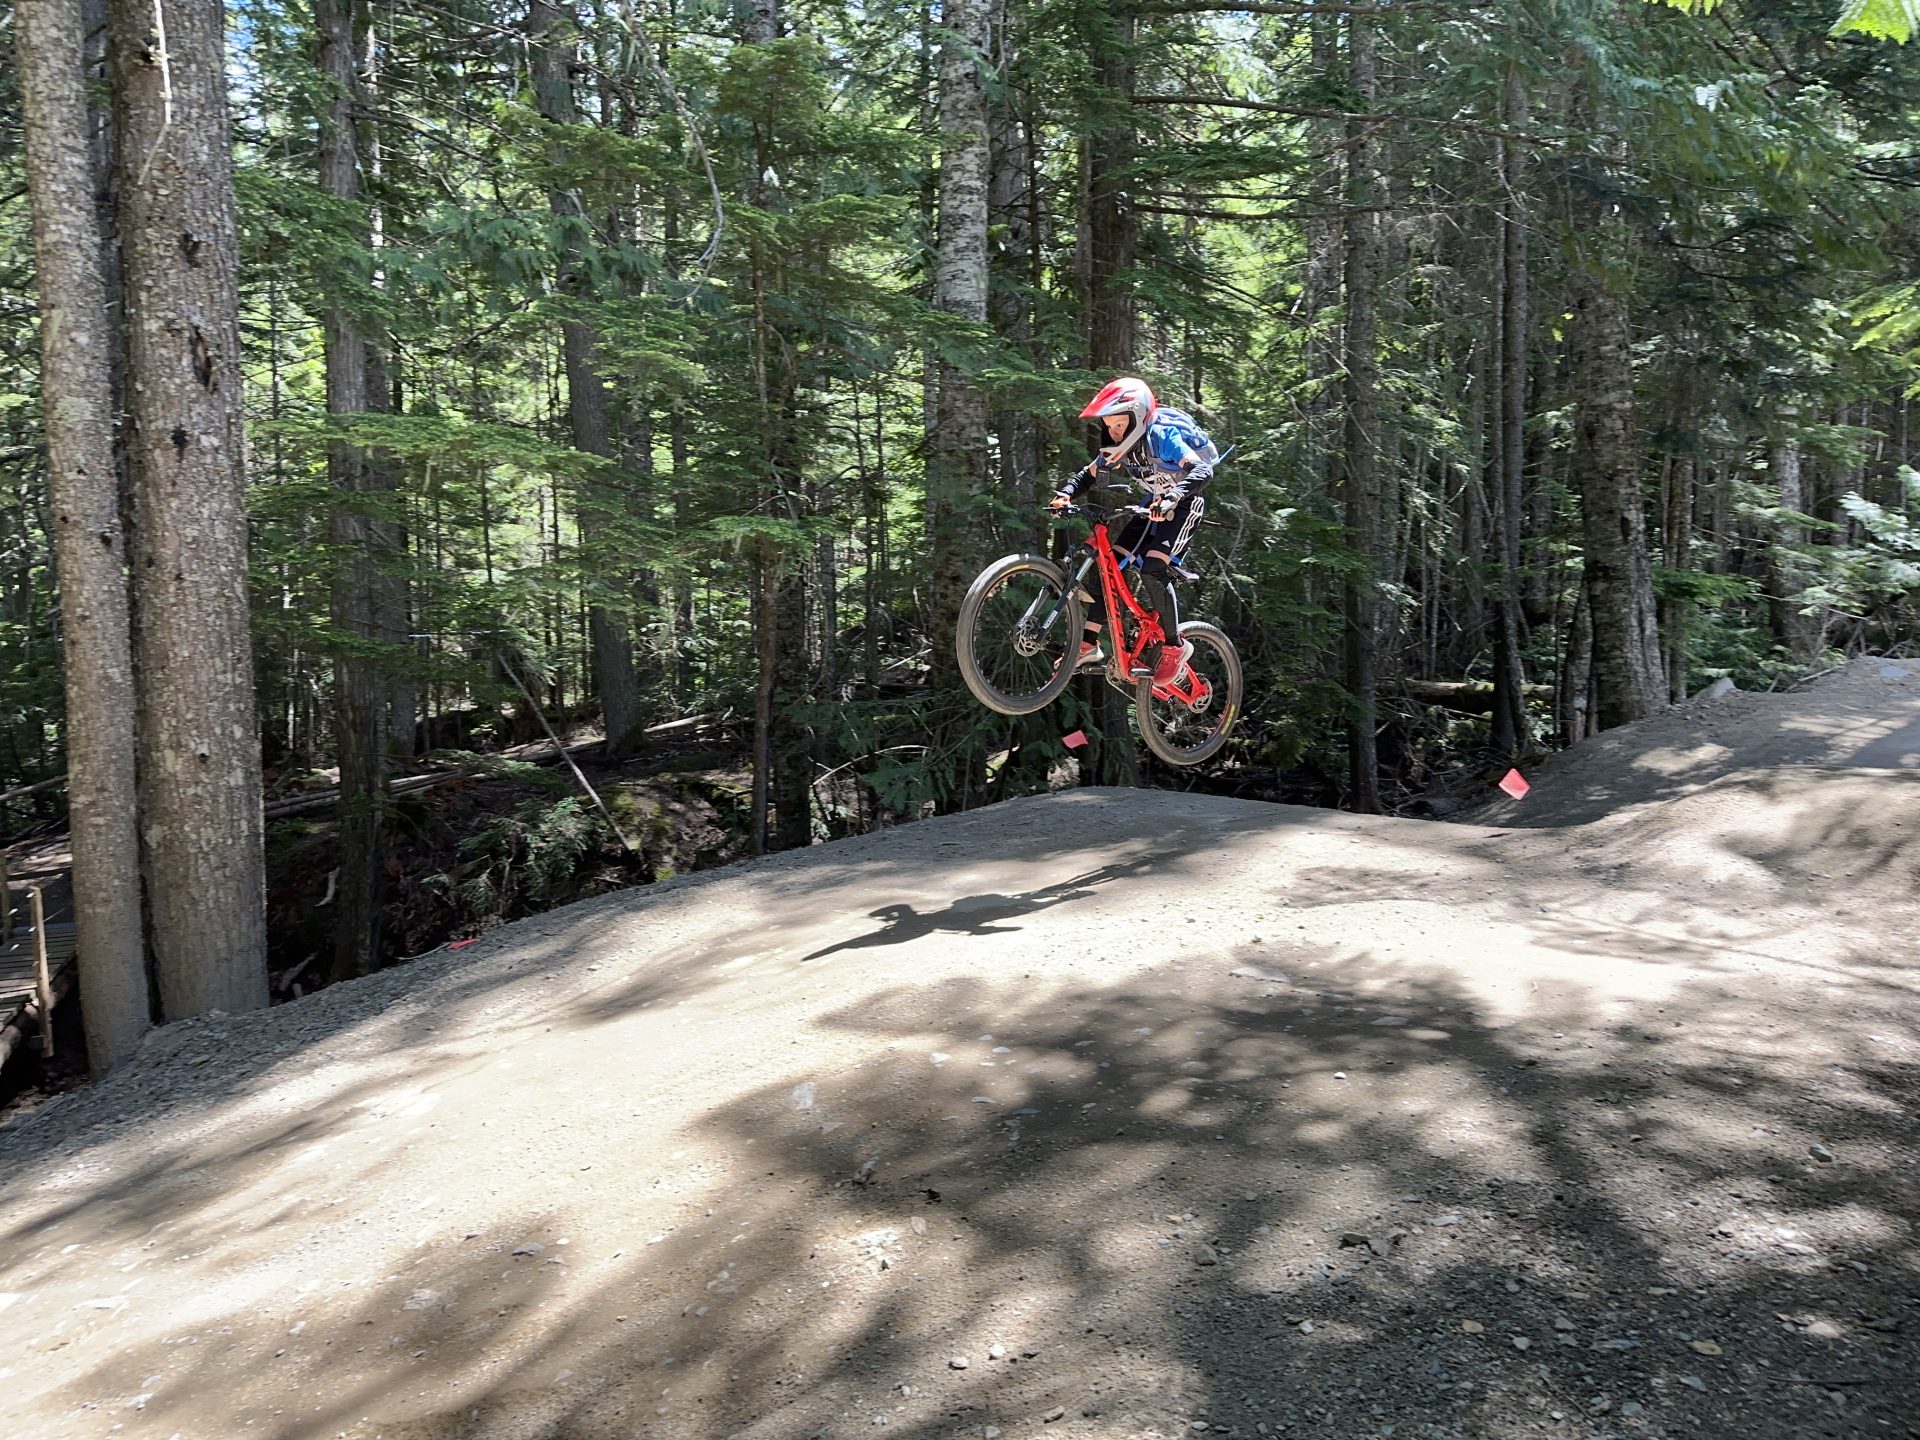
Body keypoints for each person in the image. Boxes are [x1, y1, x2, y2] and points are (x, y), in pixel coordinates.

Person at [1050, 376, 1218, 688]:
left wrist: (1173, 496)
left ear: (1138, 417)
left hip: (1185, 504)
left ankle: (1174, 647)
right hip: (1153, 505)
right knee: (1108, 567)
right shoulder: (1120, 446)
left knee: (1154, 568)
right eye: (1108, 426)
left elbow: (1202, 470)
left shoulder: (1161, 435)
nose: (1113, 433)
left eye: (1118, 425)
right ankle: (1088, 645)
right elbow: (1089, 474)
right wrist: (1066, 493)